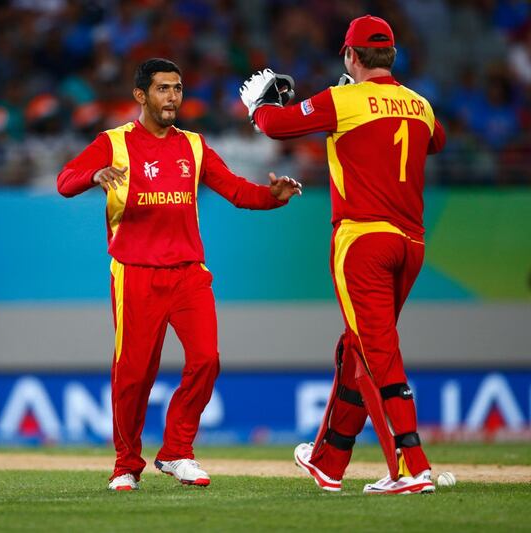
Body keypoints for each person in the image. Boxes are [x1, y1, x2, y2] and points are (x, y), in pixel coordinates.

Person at [58, 58, 302, 491]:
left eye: (177, 88)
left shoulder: (193, 144)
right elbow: (65, 180)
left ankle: (176, 451)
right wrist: (94, 175)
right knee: (134, 374)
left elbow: (235, 190)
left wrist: (273, 196)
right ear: (140, 96)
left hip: (188, 272)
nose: (172, 97)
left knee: (207, 359)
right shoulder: (113, 143)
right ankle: (125, 465)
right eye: (163, 89)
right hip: (135, 273)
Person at [239, 15, 446, 494]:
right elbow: (435, 142)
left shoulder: (343, 100)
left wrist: (260, 103)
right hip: (410, 243)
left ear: (351, 56)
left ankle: (411, 467)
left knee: (376, 353)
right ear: (391, 56)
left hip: (362, 241)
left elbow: (277, 126)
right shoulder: (421, 105)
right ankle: (330, 460)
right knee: (357, 347)